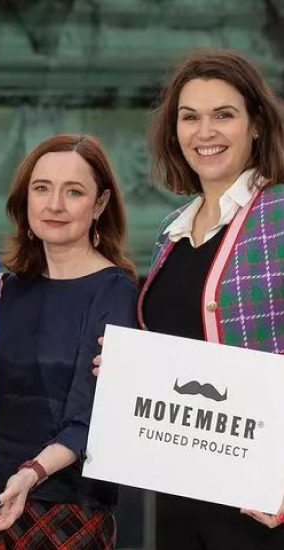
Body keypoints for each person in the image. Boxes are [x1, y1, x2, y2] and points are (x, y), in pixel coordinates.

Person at [138, 50, 284, 549]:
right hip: (179, 488)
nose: (206, 132)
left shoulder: (282, 214)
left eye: (224, 114)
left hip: (262, 500)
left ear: (257, 125)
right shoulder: (170, 231)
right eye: (190, 117)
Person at [0, 134, 137, 550]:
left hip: (68, 512)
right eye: (41, 188)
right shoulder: (5, 290)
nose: (55, 204)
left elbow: (93, 416)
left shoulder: (114, 292)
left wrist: (29, 474)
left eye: (74, 191)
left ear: (99, 205)